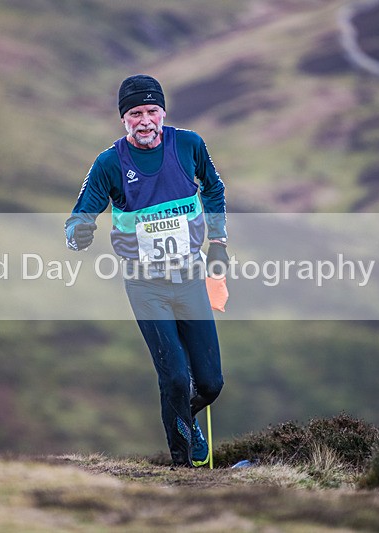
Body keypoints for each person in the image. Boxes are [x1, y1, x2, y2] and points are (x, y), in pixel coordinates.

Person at [65, 74, 229, 467]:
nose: (144, 121)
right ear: (124, 120)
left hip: (190, 277)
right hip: (145, 284)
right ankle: (181, 463)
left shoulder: (189, 145)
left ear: (163, 112)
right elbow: (77, 221)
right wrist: (80, 233)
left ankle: (185, 417)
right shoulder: (109, 163)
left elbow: (214, 189)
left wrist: (219, 242)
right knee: (173, 377)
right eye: (135, 113)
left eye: (151, 111)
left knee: (210, 383)